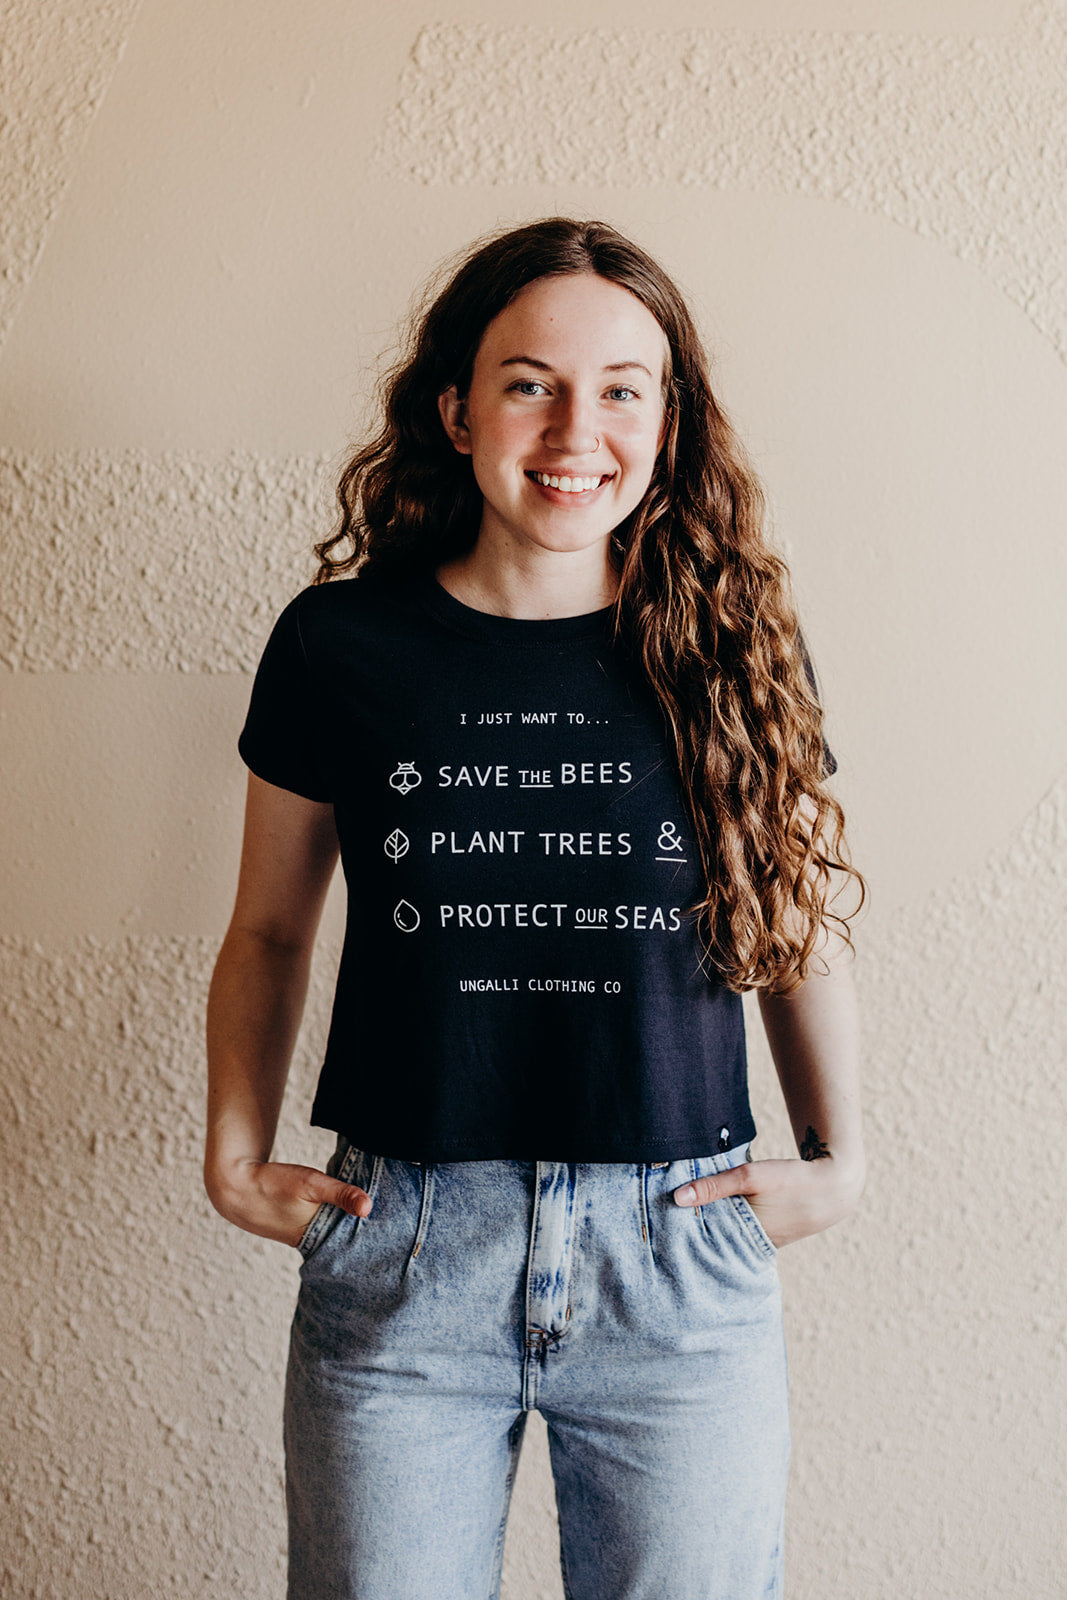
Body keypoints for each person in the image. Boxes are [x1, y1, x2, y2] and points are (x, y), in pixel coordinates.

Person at [204, 216, 865, 1600]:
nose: (579, 426)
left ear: (668, 421)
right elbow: (269, 930)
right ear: (457, 408)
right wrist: (234, 1153)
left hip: (676, 1259)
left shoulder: (732, 643)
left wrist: (838, 1159)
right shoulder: (341, 644)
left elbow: (793, 920)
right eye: (531, 382)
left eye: (625, 386)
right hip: (405, 1252)